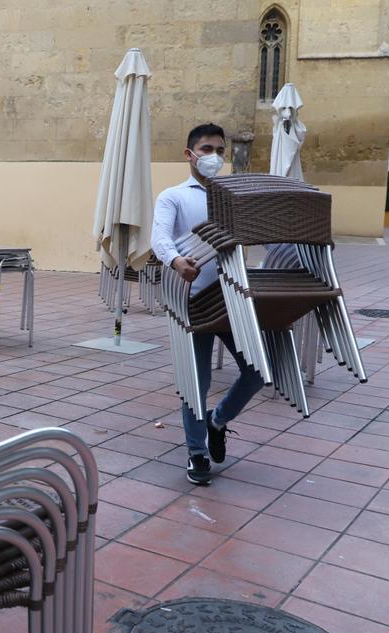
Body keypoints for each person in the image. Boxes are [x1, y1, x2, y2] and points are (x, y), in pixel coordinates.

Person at [150, 123, 264, 486]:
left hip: (231, 299)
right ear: (189, 154)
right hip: (195, 301)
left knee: (257, 371)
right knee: (195, 382)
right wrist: (175, 261)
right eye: (206, 149)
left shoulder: (231, 196)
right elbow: (159, 238)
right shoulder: (174, 196)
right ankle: (197, 452)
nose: (213, 156)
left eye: (219, 150)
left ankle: (217, 421)